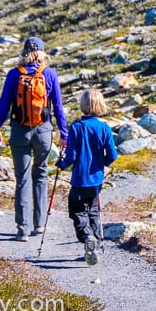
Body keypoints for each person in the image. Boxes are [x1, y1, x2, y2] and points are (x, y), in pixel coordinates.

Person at [0, 37, 68, 242]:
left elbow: (4, 105)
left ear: (24, 52)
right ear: (43, 53)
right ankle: (40, 224)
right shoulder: (49, 74)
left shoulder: (14, 74)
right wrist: (64, 134)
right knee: (41, 174)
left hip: (19, 131)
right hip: (43, 131)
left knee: (22, 178)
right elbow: (58, 108)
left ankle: (22, 229)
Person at [56, 88, 118, 265]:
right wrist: (102, 163)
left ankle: (87, 236)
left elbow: (72, 156)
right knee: (93, 210)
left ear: (83, 105)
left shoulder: (76, 128)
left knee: (77, 210)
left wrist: (61, 164)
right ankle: (96, 245)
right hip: (97, 179)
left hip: (79, 179)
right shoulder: (104, 128)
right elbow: (113, 154)